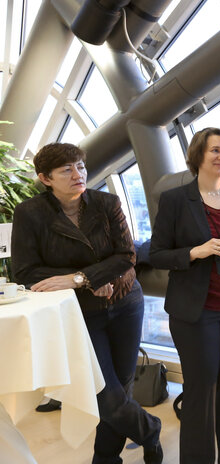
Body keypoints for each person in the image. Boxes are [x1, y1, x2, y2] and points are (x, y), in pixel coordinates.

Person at [11, 143, 162, 464]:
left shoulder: (107, 202)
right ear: (45, 178)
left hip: (125, 304)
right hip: (78, 314)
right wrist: (86, 278)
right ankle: (150, 428)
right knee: (105, 398)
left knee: (121, 389)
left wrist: (84, 277)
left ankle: (105, 459)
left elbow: (126, 256)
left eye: (80, 166)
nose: (78, 174)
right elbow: (26, 271)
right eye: (66, 170)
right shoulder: (30, 213)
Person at [149, 127, 220, 464]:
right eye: (215, 151)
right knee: (200, 394)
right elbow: (157, 254)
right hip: (197, 311)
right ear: (198, 155)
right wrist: (196, 251)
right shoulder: (175, 199)